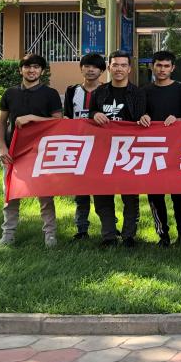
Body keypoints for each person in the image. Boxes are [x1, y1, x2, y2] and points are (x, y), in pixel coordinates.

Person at [0, 54, 63, 248]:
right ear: (20, 70)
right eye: (27, 67)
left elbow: (58, 121)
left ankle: (50, 236)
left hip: (41, 152)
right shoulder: (10, 93)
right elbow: (1, 122)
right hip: (12, 152)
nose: (31, 70)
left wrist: (32, 117)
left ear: (42, 71)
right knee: (10, 195)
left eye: (36, 67)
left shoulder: (50, 94)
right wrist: (2, 147)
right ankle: (7, 236)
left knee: (45, 196)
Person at [89, 51, 148, 247]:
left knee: (130, 196)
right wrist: (95, 114)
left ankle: (129, 235)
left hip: (128, 152)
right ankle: (108, 236)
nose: (119, 69)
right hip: (102, 151)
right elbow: (90, 114)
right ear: (109, 68)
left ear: (129, 69)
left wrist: (144, 118)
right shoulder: (99, 92)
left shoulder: (138, 93)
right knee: (102, 195)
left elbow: (142, 116)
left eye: (123, 65)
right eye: (115, 65)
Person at [144, 50, 181, 246]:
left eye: (166, 66)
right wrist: (143, 117)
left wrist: (179, 118)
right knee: (154, 193)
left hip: (178, 149)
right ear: (152, 66)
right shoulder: (144, 91)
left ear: (173, 68)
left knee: (180, 193)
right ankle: (162, 234)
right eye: (158, 65)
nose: (162, 69)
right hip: (152, 150)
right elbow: (137, 116)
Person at [64, 52, 106, 240]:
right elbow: (66, 116)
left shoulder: (107, 91)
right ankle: (81, 229)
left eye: (95, 67)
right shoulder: (72, 90)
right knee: (80, 192)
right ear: (81, 68)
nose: (90, 70)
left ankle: (109, 227)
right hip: (78, 147)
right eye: (87, 66)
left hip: (101, 147)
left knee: (103, 192)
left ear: (101, 70)